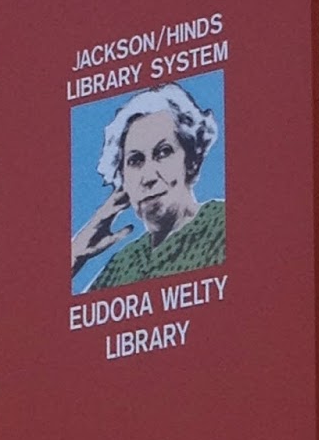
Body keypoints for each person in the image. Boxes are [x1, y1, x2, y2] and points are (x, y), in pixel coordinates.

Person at [71, 81, 225, 289]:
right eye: (135, 160)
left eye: (163, 152)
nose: (148, 176)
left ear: (190, 161)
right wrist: (76, 254)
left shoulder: (222, 224)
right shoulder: (123, 265)